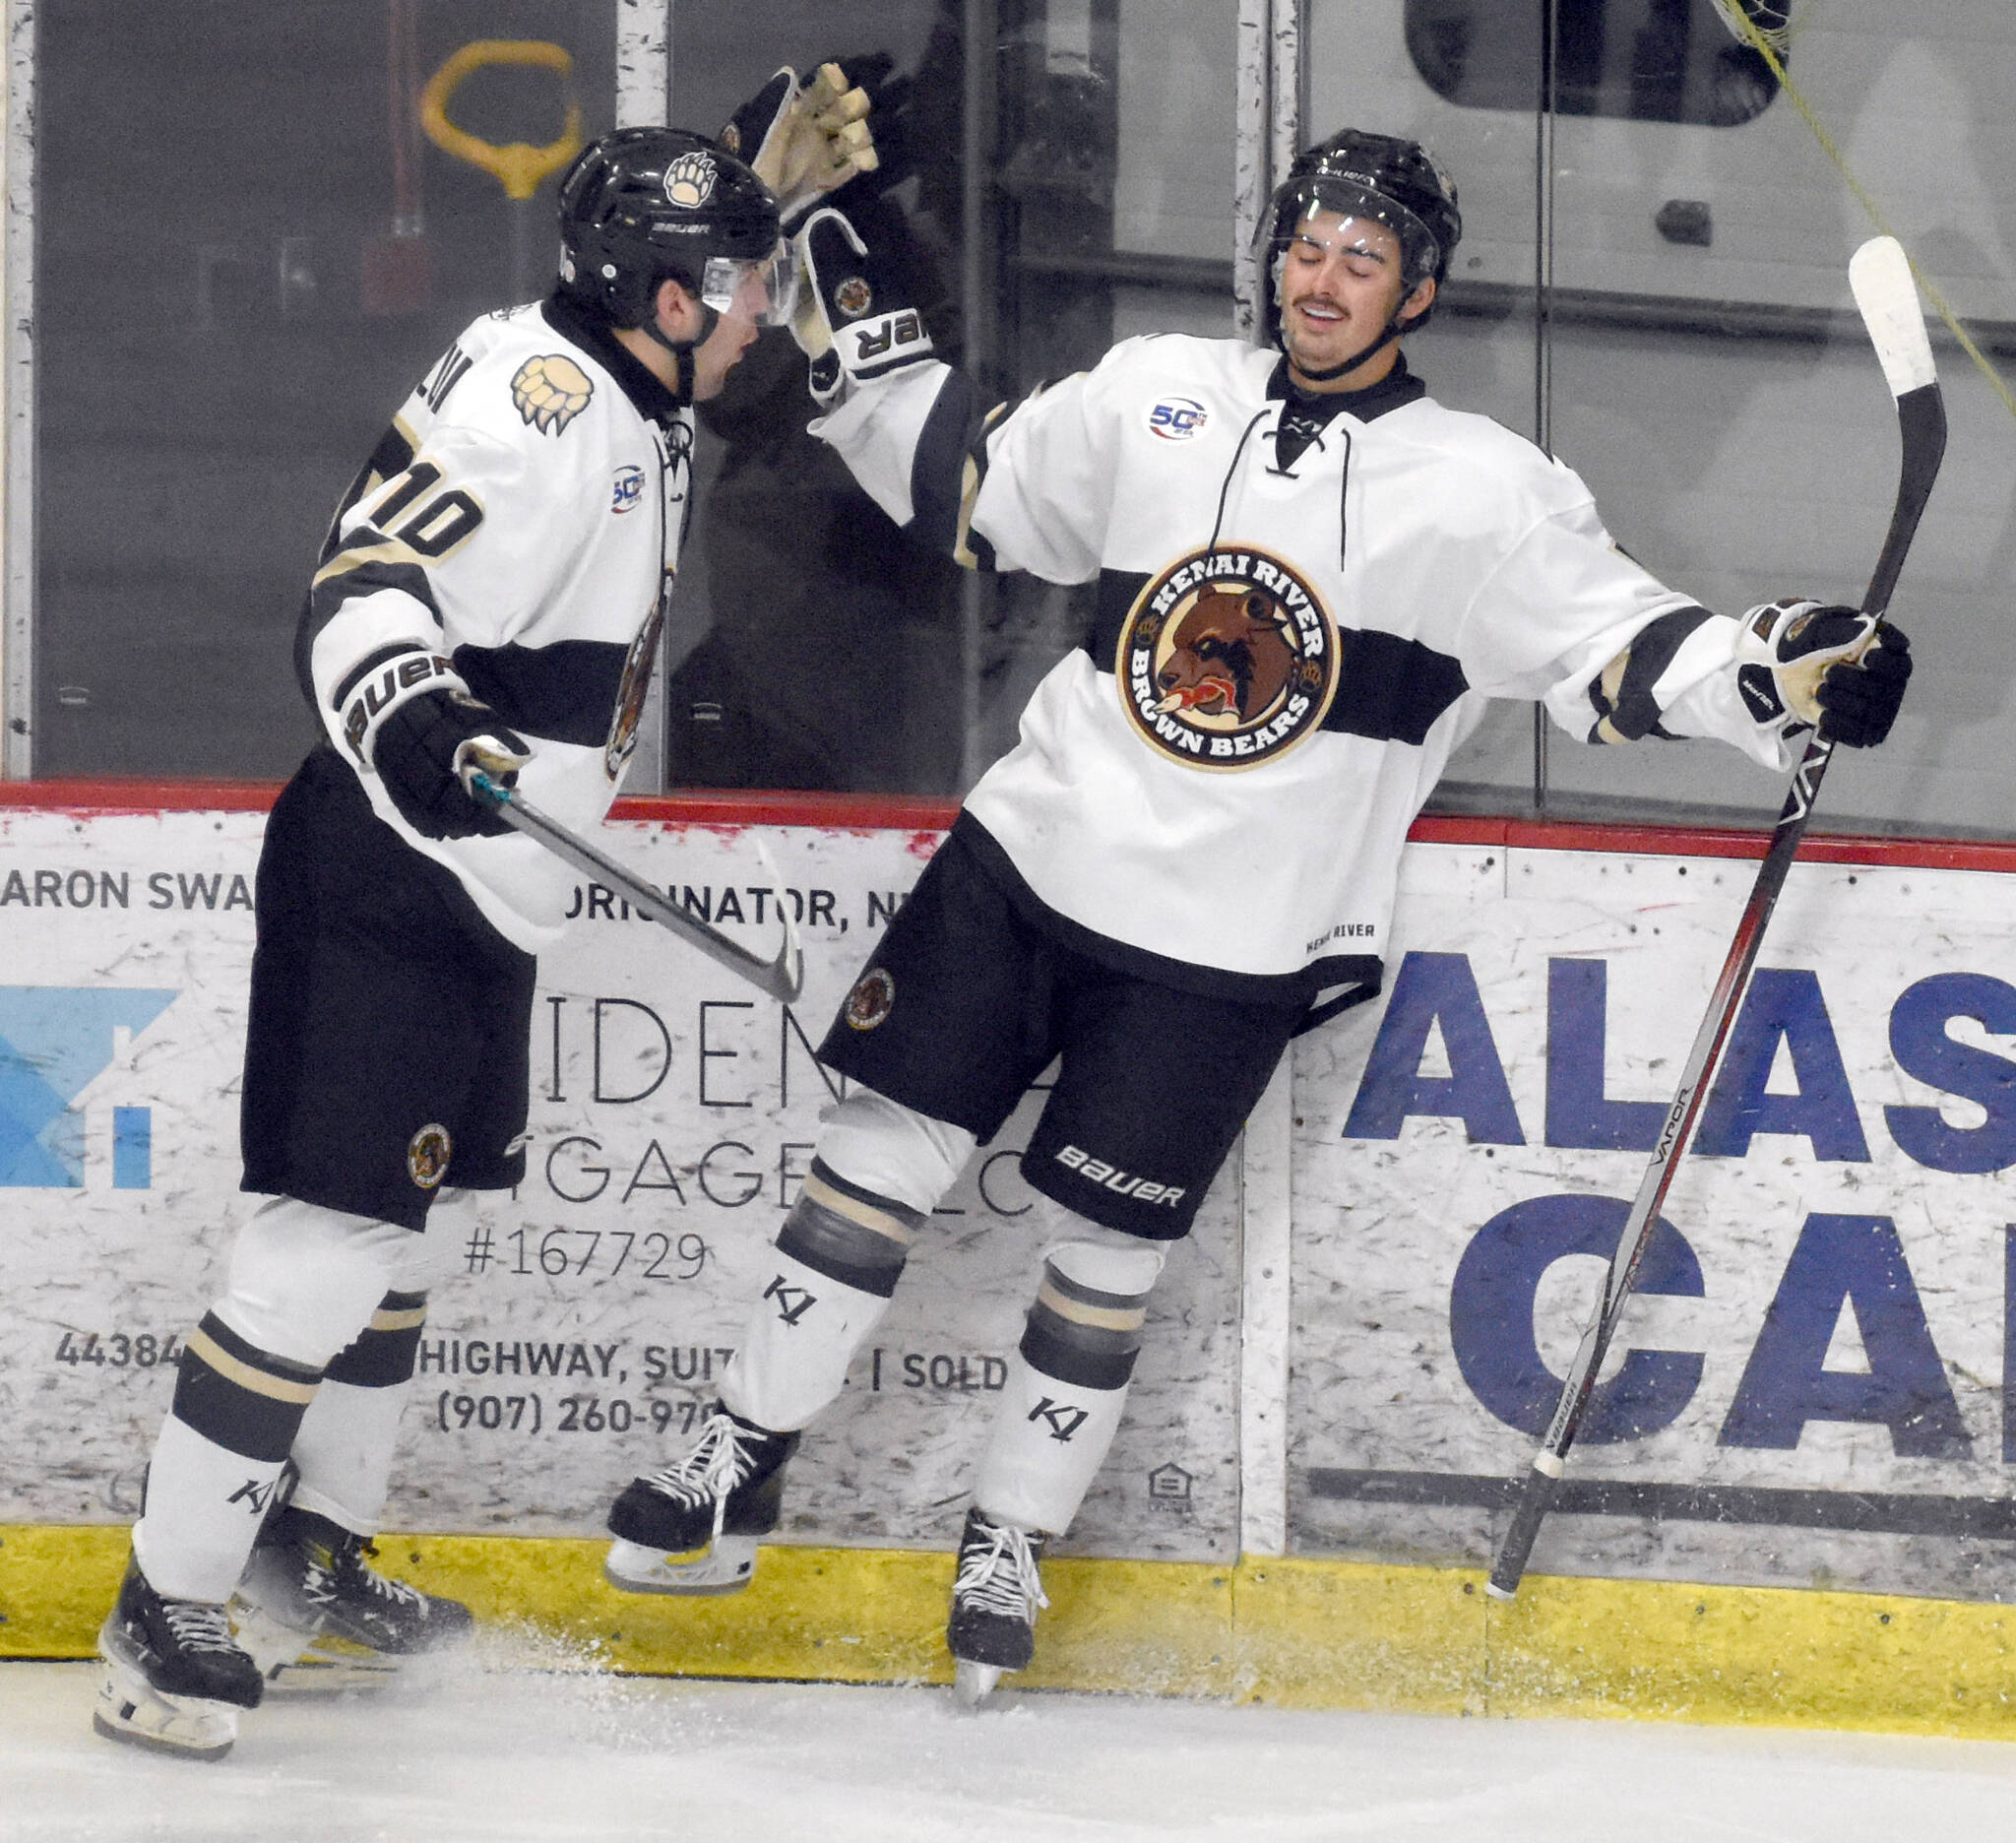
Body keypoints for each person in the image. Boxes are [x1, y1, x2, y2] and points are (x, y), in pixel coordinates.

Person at [598, 129, 1915, 1702]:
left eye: (1363, 260)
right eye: (1307, 245)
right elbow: (976, 485)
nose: (1323, 279)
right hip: (1031, 862)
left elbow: (1631, 649)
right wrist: (834, 260)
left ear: (1417, 292)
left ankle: (1008, 1532)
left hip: (1227, 948)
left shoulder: (1483, 492)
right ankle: (743, 1447)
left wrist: (1784, 670)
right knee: (875, 1165)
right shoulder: (1158, 390)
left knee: (1107, 1260)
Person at [93, 88, 873, 1760]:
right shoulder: (544, 407)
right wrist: (414, 714)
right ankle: (162, 1609)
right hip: (392, 863)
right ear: (665, 299)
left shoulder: (628, 372)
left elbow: (743, 373)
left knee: (407, 1243)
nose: (756, 314)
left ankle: (310, 1558)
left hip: (480, 893)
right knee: (324, 1246)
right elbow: (364, 576)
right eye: (736, 284)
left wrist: (749, 185)